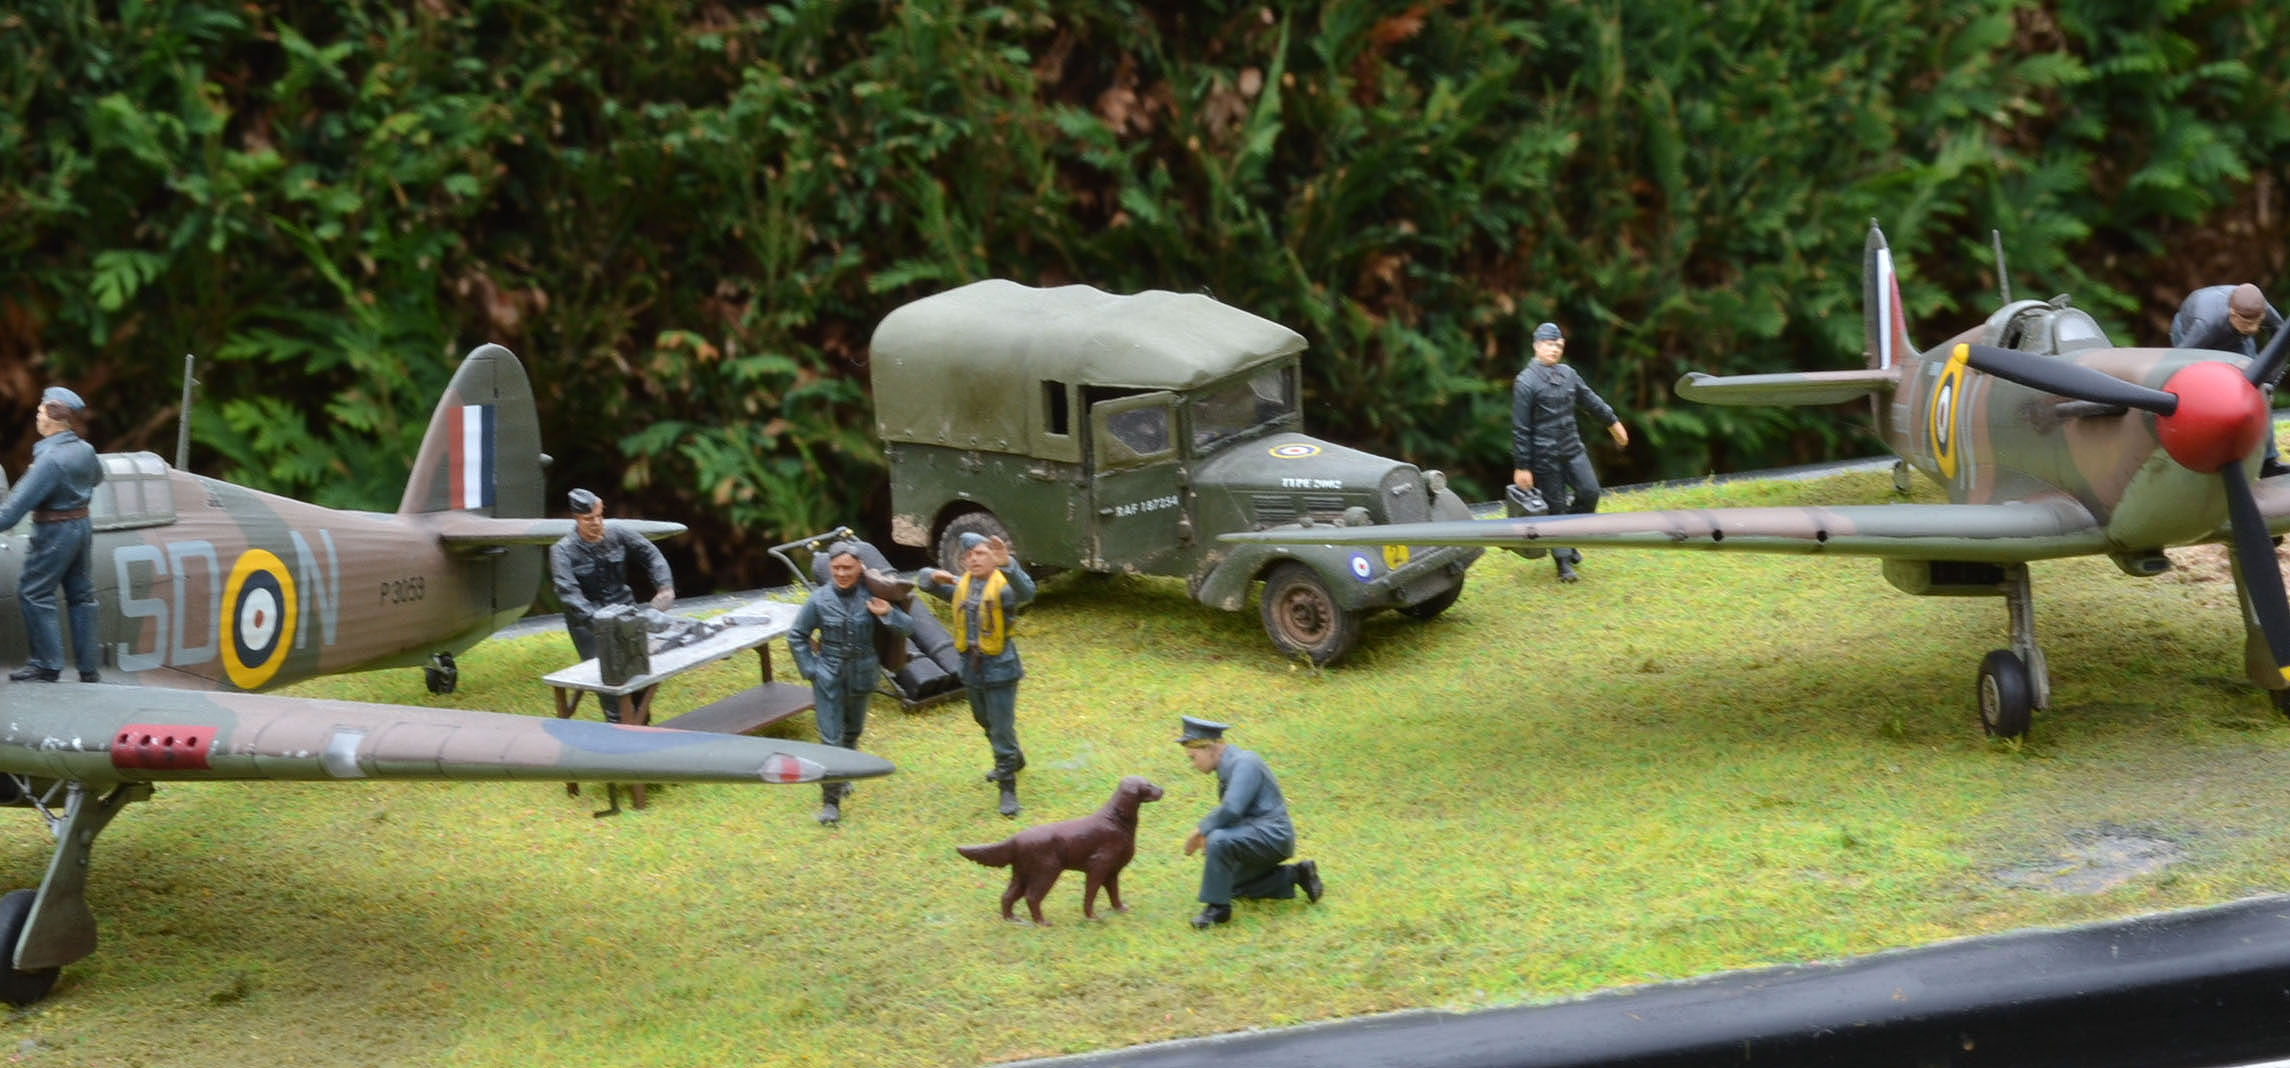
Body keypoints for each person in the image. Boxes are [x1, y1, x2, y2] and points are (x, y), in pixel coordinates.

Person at [789, 542, 913, 825]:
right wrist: (811, 670)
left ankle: (844, 775)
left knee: (853, 730)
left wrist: (887, 613)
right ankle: (830, 802)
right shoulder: (819, 599)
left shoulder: (873, 594)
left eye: (848, 567)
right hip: (829, 674)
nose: (842, 573)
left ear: (860, 567)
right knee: (830, 738)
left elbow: (907, 627)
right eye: (836, 568)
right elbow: (797, 635)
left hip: (863, 671)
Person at [921, 532, 1036, 818]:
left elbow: (1027, 593)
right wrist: (932, 576)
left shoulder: (1004, 587)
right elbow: (923, 582)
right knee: (983, 719)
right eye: (968, 555)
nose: (973, 559)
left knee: (1001, 727)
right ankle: (1014, 758)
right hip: (971, 668)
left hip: (1001, 667)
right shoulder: (961, 586)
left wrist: (1008, 564)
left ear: (993, 557)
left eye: (980, 553)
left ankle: (1007, 788)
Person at [1178, 715, 1322, 929]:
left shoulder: (1245, 763)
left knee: (1218, 839)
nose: (1193, 764)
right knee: (1227, 884)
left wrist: (1201, 831)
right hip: (1256, 834)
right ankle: (1297, 874)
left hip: (1273, 835)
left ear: (1210, 748)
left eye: (1193, 757)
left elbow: (1232, 808)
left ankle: (1217, 909)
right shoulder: (1230, 769)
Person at [2, 387, 104, 684]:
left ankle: (46, 664)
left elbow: (11, 513)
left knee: (34, 592)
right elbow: (97, 477)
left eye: (40, 410)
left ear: (51, 417)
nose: (37, 415)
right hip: (81, 526)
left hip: (54, 532)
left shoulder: (49, 461)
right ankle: (88, 668)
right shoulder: (84, 450)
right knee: (81, 596)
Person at [1513, 321, 1628, 583]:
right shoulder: (1525, 382)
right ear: (1536, 346)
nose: (1554, 349)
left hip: (1572, 448)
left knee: (1590, 492)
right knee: (1555, 507)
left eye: (1559, 345)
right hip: (1545, 457)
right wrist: (1522, 465)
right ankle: (1563, 562)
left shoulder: (1568, 374)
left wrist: (1612, 421)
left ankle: (1571, 536)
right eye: (1549, 344)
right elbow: (1521, 428)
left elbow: (1590, 400)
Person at [549, 488, 675, 665]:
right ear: (577, 518)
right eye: (588, 519)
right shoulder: (562, 551)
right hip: (588, 622)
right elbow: (569, 593)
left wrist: (665, 587)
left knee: (641, 660)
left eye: (599, 516)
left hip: (625, 609)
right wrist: (600, 624)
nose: (596, 522)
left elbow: (650, 554)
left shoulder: (617, 532)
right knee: (601, 669)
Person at [2172, 283, 2287, 476]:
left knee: (2257, 394)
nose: (2252, 328)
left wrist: (2269, 382)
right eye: (2246, 323)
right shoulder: (2204, 326)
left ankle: (2268, 461)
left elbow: (2281, 341)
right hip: (2194, 339)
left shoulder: (2261, 310)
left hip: (2236, 340)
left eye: (2256, 323)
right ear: (2232, 313)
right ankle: (2209, 459)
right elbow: (2178, 364)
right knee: (2208, 398)